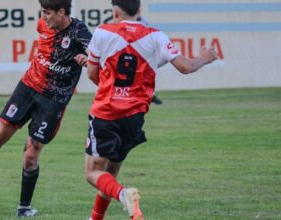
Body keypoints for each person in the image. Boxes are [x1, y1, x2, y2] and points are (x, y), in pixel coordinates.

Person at [0, 0, 91, 217]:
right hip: (27, 88)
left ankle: (23, 208)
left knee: (31, 155)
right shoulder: (44, 25)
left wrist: (87, 59)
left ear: (61, 12)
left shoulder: (80, 31)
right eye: (42, 12)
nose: (43, 18)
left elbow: (99, 56)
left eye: (47, 13)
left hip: (53, 100)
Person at [85, 0, 218, 219]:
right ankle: (96, 217)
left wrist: (112, 90)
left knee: (93, 172)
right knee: (110, 173)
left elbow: (91, 73)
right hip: (134, 117)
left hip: (106, 113)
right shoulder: (156, 35)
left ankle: (123, 193)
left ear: (114, 11)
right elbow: (185, 67)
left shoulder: (103, 32)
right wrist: (203, 58)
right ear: (139, 10)